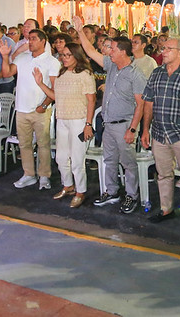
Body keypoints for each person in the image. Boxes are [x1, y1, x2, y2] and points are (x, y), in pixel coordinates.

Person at [75, 16, 146, 213]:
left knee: (128, 163)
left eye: (112, 49)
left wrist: (133, 129)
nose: (108, 51)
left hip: (125, 125)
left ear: (123, 52)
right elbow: (89, 51)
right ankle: (112, 191)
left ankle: (132, 195)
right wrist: (80, 30)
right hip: (108, 124)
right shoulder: (112, 65)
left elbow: (141, 105)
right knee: (109, 160)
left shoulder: (135, 74)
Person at [141, 37, 180, 234]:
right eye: (163, 48)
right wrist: (145, 130)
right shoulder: (157, 73)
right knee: (163, 175)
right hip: (159, 133)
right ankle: (166, 209)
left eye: (168, 48)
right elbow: (148, 103)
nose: (163, 51)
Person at [33, 42, 96, 208]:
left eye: (68, 55)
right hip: (62, 119)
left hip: (79, 120)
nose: (65, 58)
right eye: (63, 55)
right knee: (61, 158)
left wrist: (88, 124)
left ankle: (80, 191)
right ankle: (68, 185)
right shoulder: (61, 74)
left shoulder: (85, 74)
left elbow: (91, 100)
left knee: (77, 160)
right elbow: (55, 96)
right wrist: (40, 83)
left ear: (76, 56)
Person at [0, 28, 60, 189]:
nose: (29, 42)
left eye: (33, 39)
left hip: (40, 110)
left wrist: (44, 105)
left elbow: (55, 89)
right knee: (24, 144)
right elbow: (6, 73)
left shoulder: (52, 62)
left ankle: (44, 176)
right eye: (28, 39)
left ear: (43, 41)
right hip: (21, 109)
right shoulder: (22, 58)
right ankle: (29, 174)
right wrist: (5, 56)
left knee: (43, 145)